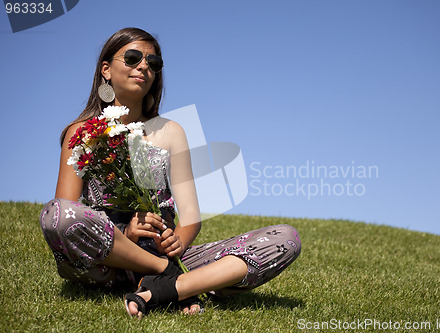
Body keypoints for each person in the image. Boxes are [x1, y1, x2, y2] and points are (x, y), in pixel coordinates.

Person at [39, 27, 301, 317]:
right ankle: (171, 277)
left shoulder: (172, 131)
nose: (143, 67)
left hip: (163, 251)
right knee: (56, 214)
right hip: (106, 261)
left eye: (153, 64)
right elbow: (67, 207)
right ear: (106, 70)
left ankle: (162, 288)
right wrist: (125, 232)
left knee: (285, 239)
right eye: (133, 57)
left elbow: (190, 217)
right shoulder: (82, 133)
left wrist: (177, 242)